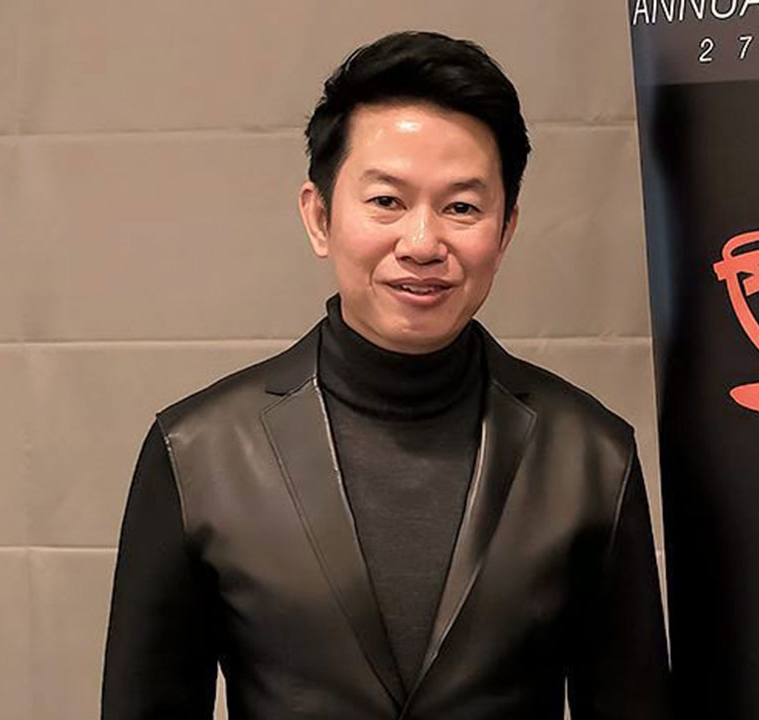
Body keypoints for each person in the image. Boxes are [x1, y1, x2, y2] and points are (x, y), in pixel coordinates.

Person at [100, 30, 670, 720]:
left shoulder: (591, 456)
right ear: (319, 217)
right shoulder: (197, 453)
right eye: (386, 202)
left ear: (506, 229)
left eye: (462, 207)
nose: (422, 244)